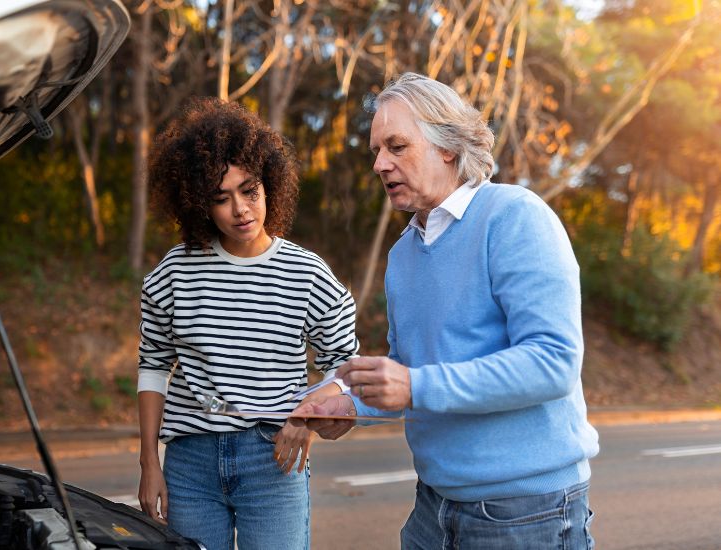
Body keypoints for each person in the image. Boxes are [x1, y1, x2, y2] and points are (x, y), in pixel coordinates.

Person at [296, 72, 600, 549]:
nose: (380, 164)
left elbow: (553, 363)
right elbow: (409, 369)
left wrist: (414, 385)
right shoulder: (402, 255)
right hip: (433, 508)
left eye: (397, 146)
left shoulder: (514, 216)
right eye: (376, 151)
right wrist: (352, 406)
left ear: (448, 148)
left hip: (526, 514)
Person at [135, 97, 359, 550]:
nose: (240, 209)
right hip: (189, 463)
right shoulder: (175, 273)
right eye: (221, 198)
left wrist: (307, 415)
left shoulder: (308, 274)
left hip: (274, 457)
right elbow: (153, 368)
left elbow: (346, 366)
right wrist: (148, 464)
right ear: (199, 204)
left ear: (269, 185)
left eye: (249, 190)